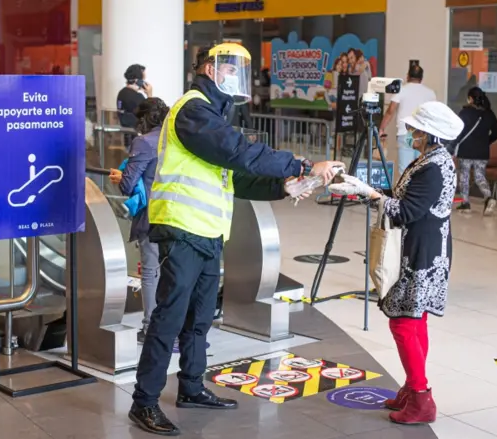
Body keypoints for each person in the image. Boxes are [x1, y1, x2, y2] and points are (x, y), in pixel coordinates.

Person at [129, 43, 344, 436]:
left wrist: (284, 185)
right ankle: (144, 402)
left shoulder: (213, 113)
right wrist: (302, 163)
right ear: (211, 69)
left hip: (209, 232)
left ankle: (191, 387)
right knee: (170, 317)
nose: (236, 79)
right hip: (180, 228)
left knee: (201, 317)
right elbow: (239, 152)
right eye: (231, 71)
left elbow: (236, 176)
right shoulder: (193, 109)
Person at [329, 101, 464, 426]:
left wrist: (371, 195)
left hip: (421, 254)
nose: (411, 133)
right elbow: (405, 197)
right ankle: (411, 388)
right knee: (415, 320)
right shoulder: (433, 159)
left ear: (430, 134)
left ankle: (421, 397)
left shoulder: (433, 166)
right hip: (427, 248)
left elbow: (405, 211)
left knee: (403, 322)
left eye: (417, 129)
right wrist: (369, 191)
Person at [109, 97, 169, 344]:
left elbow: (127, 184)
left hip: (152, 216)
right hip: (178, 214)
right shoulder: (175, 139)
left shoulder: (144, 142)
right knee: (174, 271)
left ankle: (150, 327)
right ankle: (171, 325)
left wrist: (122, 175)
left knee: (151, 272)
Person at [380, 64, 437, 174]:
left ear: (407, 76)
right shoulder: (430, 93)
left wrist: (381, 129)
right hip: (423, 135)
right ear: (421, 78)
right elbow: (432, 115)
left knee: (405, 171)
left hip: (406, 133)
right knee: (420, 169)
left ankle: (405, 191)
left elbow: (390, 111)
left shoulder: (401, 90)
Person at [455, 86, 497, 215]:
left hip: (466, 150)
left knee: (464, 176)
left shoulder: (465, 113)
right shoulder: (489, 113)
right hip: (482, 152)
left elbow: (458, 130)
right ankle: (488, 197)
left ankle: (465, 204)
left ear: (470, 98)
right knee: (479, 176)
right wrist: (487, 141)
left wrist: (453, 146)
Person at [117, 64, 152, 129]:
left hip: (127, 132)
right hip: (137, 134)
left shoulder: (121, 93)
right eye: (143, 80)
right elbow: (151, 115)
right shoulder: (137, 97)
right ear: (137, 81)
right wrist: (149, 94)